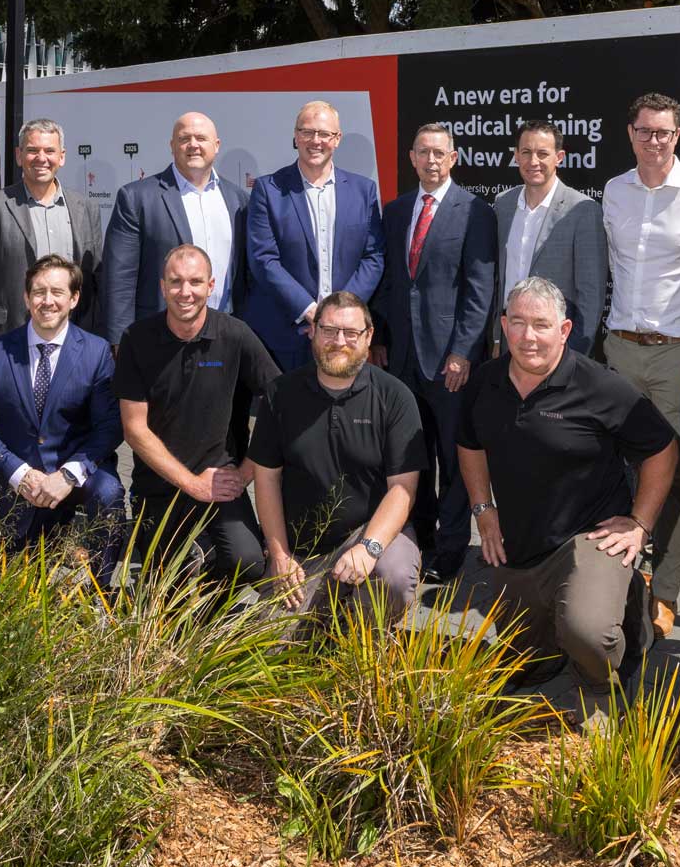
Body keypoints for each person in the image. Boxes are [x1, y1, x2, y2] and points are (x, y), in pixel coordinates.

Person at [457, 276, 678, 719]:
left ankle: (603, 683)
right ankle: (568, 635)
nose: (528, 336)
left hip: (589, 538)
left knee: (587, 635)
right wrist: (483, 509)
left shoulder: (600, 386)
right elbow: (469, 444)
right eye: (518, 322)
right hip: (522, 544)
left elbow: (663, 448)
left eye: (541, 324)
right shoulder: (485, 381)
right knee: (528, 660)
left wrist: (640, 523)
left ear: (564, 330)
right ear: (503, 325)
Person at [601, 92, 680, 641]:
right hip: (618, 347)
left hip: (678, 354)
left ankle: (666, 592)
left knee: (674, 472)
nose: (654, 141)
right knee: (614, 466)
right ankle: (613, 578)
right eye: (645, 131)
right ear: (630, 133)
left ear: (678, 136)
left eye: (664, 133)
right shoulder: (613, 191)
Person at [249, 291, 428, 624]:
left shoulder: (395, 397)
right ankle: (325, 617)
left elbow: (403, 488)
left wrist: (369, 547)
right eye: (329, 330)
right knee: (270, 643)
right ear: (313, 332)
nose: (339, 341)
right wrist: (279, 554)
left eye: (350, 333)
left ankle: (361, 633)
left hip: (372, 533)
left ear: (368, 337)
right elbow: (266, 479)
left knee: (394, 579)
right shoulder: (280, 394)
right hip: (303, 551)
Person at [111, 244, 280, 585]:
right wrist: (193, 485)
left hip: (221, 481)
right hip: (158, 484)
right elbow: (134, 430)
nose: (185, 292)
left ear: (211, 285)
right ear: (162, 287)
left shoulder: (235, 334)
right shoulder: (137, 339)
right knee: (163, 582)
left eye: (195, 281)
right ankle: (180, 591)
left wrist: (245, 472)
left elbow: (281, 403)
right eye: (175, 282)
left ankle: (204, 607)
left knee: (247, 562)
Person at [374, 123, 498, 582]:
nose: (431, 160)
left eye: (439, 153)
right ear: (411, 157)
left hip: (450, 361)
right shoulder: (395, 210)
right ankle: (418, 537)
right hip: (401, 357)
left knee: (453, 456)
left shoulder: (475, 211)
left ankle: (451, 548)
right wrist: (379, 338)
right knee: (411, 453)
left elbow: (480, 289)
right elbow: (388, 282)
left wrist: (463, 351)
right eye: (423, 152)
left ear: (453, 157)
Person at [0, 255, 125, 551]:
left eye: (57, 292)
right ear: (26, 298)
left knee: (108, 492)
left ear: (74, 299)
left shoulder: (96, 352)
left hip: (74, 471)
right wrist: (19, 472)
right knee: (15, 567)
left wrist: (68, 474)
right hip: (16, 473)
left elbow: (110, 425)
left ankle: (102, 577)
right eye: (39, 292)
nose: (48, 301)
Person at [242, 101, 387, 370]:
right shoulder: (268, 190)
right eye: (307, 132)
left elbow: (373, 257)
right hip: (285, 335)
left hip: (345, 338)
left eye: (324, 134)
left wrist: (339, 315)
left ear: (337, 139)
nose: (315, 141)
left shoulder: (363, 191)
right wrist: (310, 312)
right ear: (296, 136)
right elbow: (263, 259)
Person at [0, 118, 103, 373]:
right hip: (8, 344)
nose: (41, 158)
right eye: (33, 150)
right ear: (19, 155)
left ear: (62, 157)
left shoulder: (86, 209)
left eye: (49, 151)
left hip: (73, 346)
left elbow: (96, 282)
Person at [102, 111, 252, 349]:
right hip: (158, 337)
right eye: (184, 138)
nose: (193, 145)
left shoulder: (238, 200)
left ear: (216, 145)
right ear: (172, 146)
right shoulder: (136, 198)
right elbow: (119, 278)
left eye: (201, 138)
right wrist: (119, 341)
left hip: (224, 336)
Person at [493, 119, 607, 357]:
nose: (533, 161)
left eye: (542, 153)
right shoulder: (503, 204)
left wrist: (575, 355)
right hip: (509, 339)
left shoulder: (583, 210)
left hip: (556, 346)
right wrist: (496, 338)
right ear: (516, 156)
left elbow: (591, 294)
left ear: (559, 157)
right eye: (526, 152)